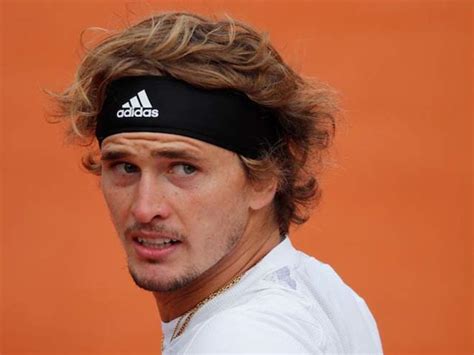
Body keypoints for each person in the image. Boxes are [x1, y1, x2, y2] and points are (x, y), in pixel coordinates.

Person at [54, 12, 383, 354]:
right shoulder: (323, 290)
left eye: (183, 168)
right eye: (125, 166)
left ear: (264, 178)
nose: (145, 207)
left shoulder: (241, 341)